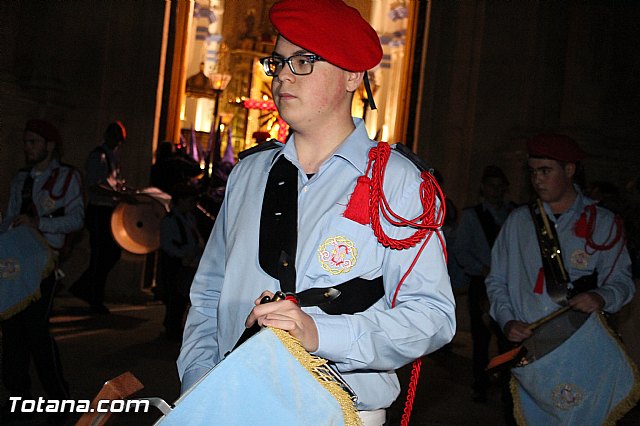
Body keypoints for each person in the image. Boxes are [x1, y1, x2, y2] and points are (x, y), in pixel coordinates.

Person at [177, 0, 456, 424]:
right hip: (230, 404)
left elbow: (432, 317)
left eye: (304, 60)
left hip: (337, 412)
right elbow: (210, 293)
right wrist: (198, 382)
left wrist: (320, 334)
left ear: (352, 75)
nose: (284, 74)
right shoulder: (249, 173)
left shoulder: (397, 181)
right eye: (278, 62)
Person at [485, 134, 637, 424]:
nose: (537, 179)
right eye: (533, 172)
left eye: (546, 170)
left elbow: (622, 282)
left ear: (569, 170)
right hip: (532, 349)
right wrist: (507, 320)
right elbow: (497, 281)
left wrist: (600, 296)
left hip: (580, 346)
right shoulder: (518, 221)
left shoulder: (602, 222)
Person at [0, 119, 84, 424]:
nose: (27, 148)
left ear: (49, 145)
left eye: (33, 142)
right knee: (11, 331)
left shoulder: (66, 177)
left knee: (36, 331)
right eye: (25, 142)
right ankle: (17, 397)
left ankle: (58, 399)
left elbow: (76, 219)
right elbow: (10, 217)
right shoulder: (20, 178)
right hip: (14, 266)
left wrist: (39, 224)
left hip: (45, 265)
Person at [451, 165, 515, 404]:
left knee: (507, 333)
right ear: (483, 187)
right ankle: (480, 382)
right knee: (480, 336)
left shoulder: (512, 214)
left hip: (508, 282)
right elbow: (461, 249)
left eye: (500, 186)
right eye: (491, 186)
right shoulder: (472, 215)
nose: (496, 191)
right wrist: (482, 268)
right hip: (482, 280)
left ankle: (508, 380)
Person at [69, 121, 127, 314]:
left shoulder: (109, 157)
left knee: (106, 254)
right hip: (99, 210)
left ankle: (87, 289)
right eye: (117, 140)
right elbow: (93, 184)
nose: (118, 144)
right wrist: (118, 194)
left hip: (105, 210)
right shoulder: (99, 156)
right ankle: (92, 295)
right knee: (103, 254)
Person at [157, 183, 203, 341]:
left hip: (187, 261)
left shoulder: (189, 218)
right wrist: (183, 254)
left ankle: (173, 326)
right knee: (174, 297)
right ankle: (171, 328)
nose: (192, 204)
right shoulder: (169, 220)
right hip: (175, 263)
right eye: (189, 200)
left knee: (182, 298)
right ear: (180, 201)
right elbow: (167, 244)